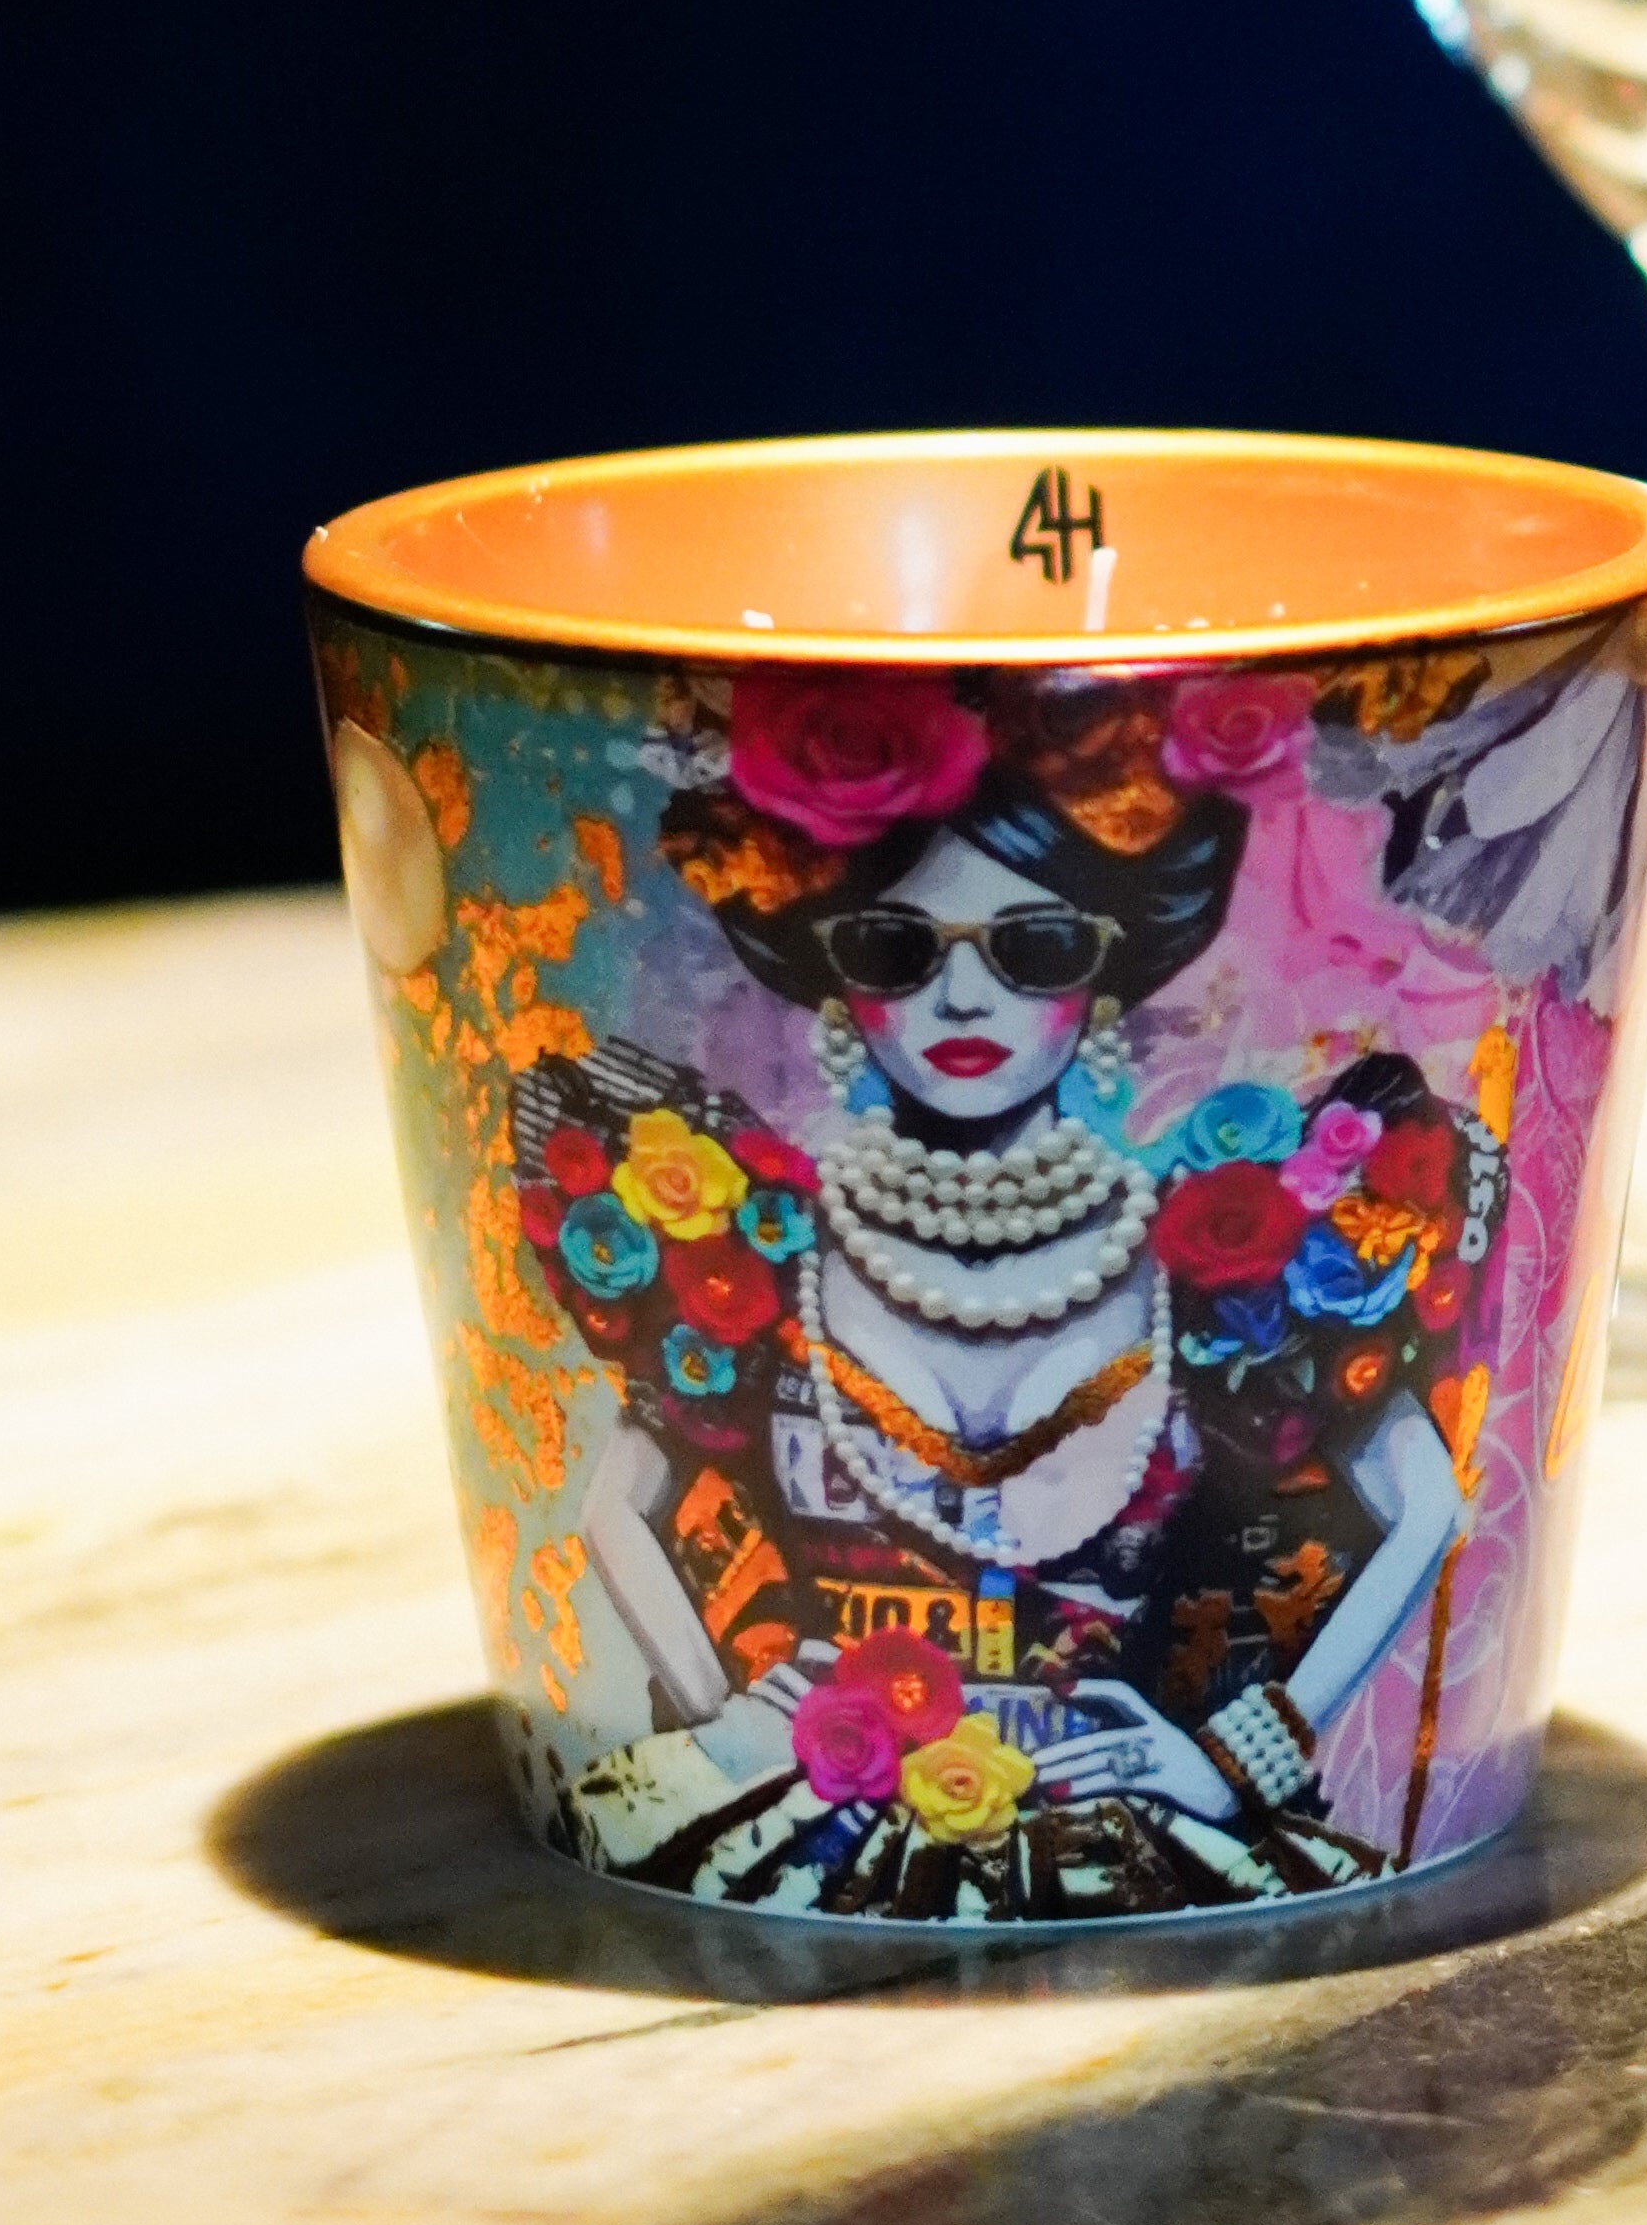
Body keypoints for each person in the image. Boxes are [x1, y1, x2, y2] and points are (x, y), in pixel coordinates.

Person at [519, 663, 1504, 1920]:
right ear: (836, 975)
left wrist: (1238, 1755)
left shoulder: (1220, 1262)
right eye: (897, 948)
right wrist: (723, 1712)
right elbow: (616, 1502)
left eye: (1035, 948)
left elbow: (1425, 1502)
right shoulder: (756, 1249)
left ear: (1105, 972)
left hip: (1124, 1829)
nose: (963, 996)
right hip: (811, 1809)